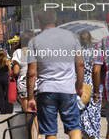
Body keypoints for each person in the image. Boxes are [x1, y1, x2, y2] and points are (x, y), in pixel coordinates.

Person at [27, 8, 85, 139]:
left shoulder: (34, 42)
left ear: (38, 22)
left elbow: (31, 73)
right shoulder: (72, 36)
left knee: (50, 131)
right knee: (74, 127)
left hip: (46, 90)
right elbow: (80, 64)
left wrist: (31, 98)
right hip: (68, 89)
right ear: (54, 19)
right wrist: (79, 86)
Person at [12, 30, 42, 139]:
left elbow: (15, 71)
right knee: (37, 112)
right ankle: (40, 134)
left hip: (24, 85)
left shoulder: (18, 53)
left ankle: (31, 136)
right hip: (37, 83)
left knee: (27, 113)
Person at [78, 31, 103, 139]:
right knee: (95, 111)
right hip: (94, 83)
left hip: (81, 84)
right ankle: (94, 133)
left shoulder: (77, 53)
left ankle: (85, 133)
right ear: (91, 39)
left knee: (82, 110)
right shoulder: (96, 52)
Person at [0, 50, 13, 114]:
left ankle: (2, 110)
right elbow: (10, 71)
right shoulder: (7, 62)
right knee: (8, 94)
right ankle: (9, 109)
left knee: (0, 95)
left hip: (0, 78)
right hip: (6, 78)